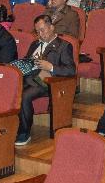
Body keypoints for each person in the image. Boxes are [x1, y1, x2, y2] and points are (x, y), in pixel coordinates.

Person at [15, 14, 77, 146]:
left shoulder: (64, 46)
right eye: (37, 31)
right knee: (11, 90)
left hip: (48, 81)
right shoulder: (34, 44)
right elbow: (27, 61)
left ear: (52, 27)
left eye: (43, 30)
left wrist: (51, 67)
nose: (40, 34)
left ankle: (24, 132)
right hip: (29, 78)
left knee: (24, 95)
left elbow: (71, 70)